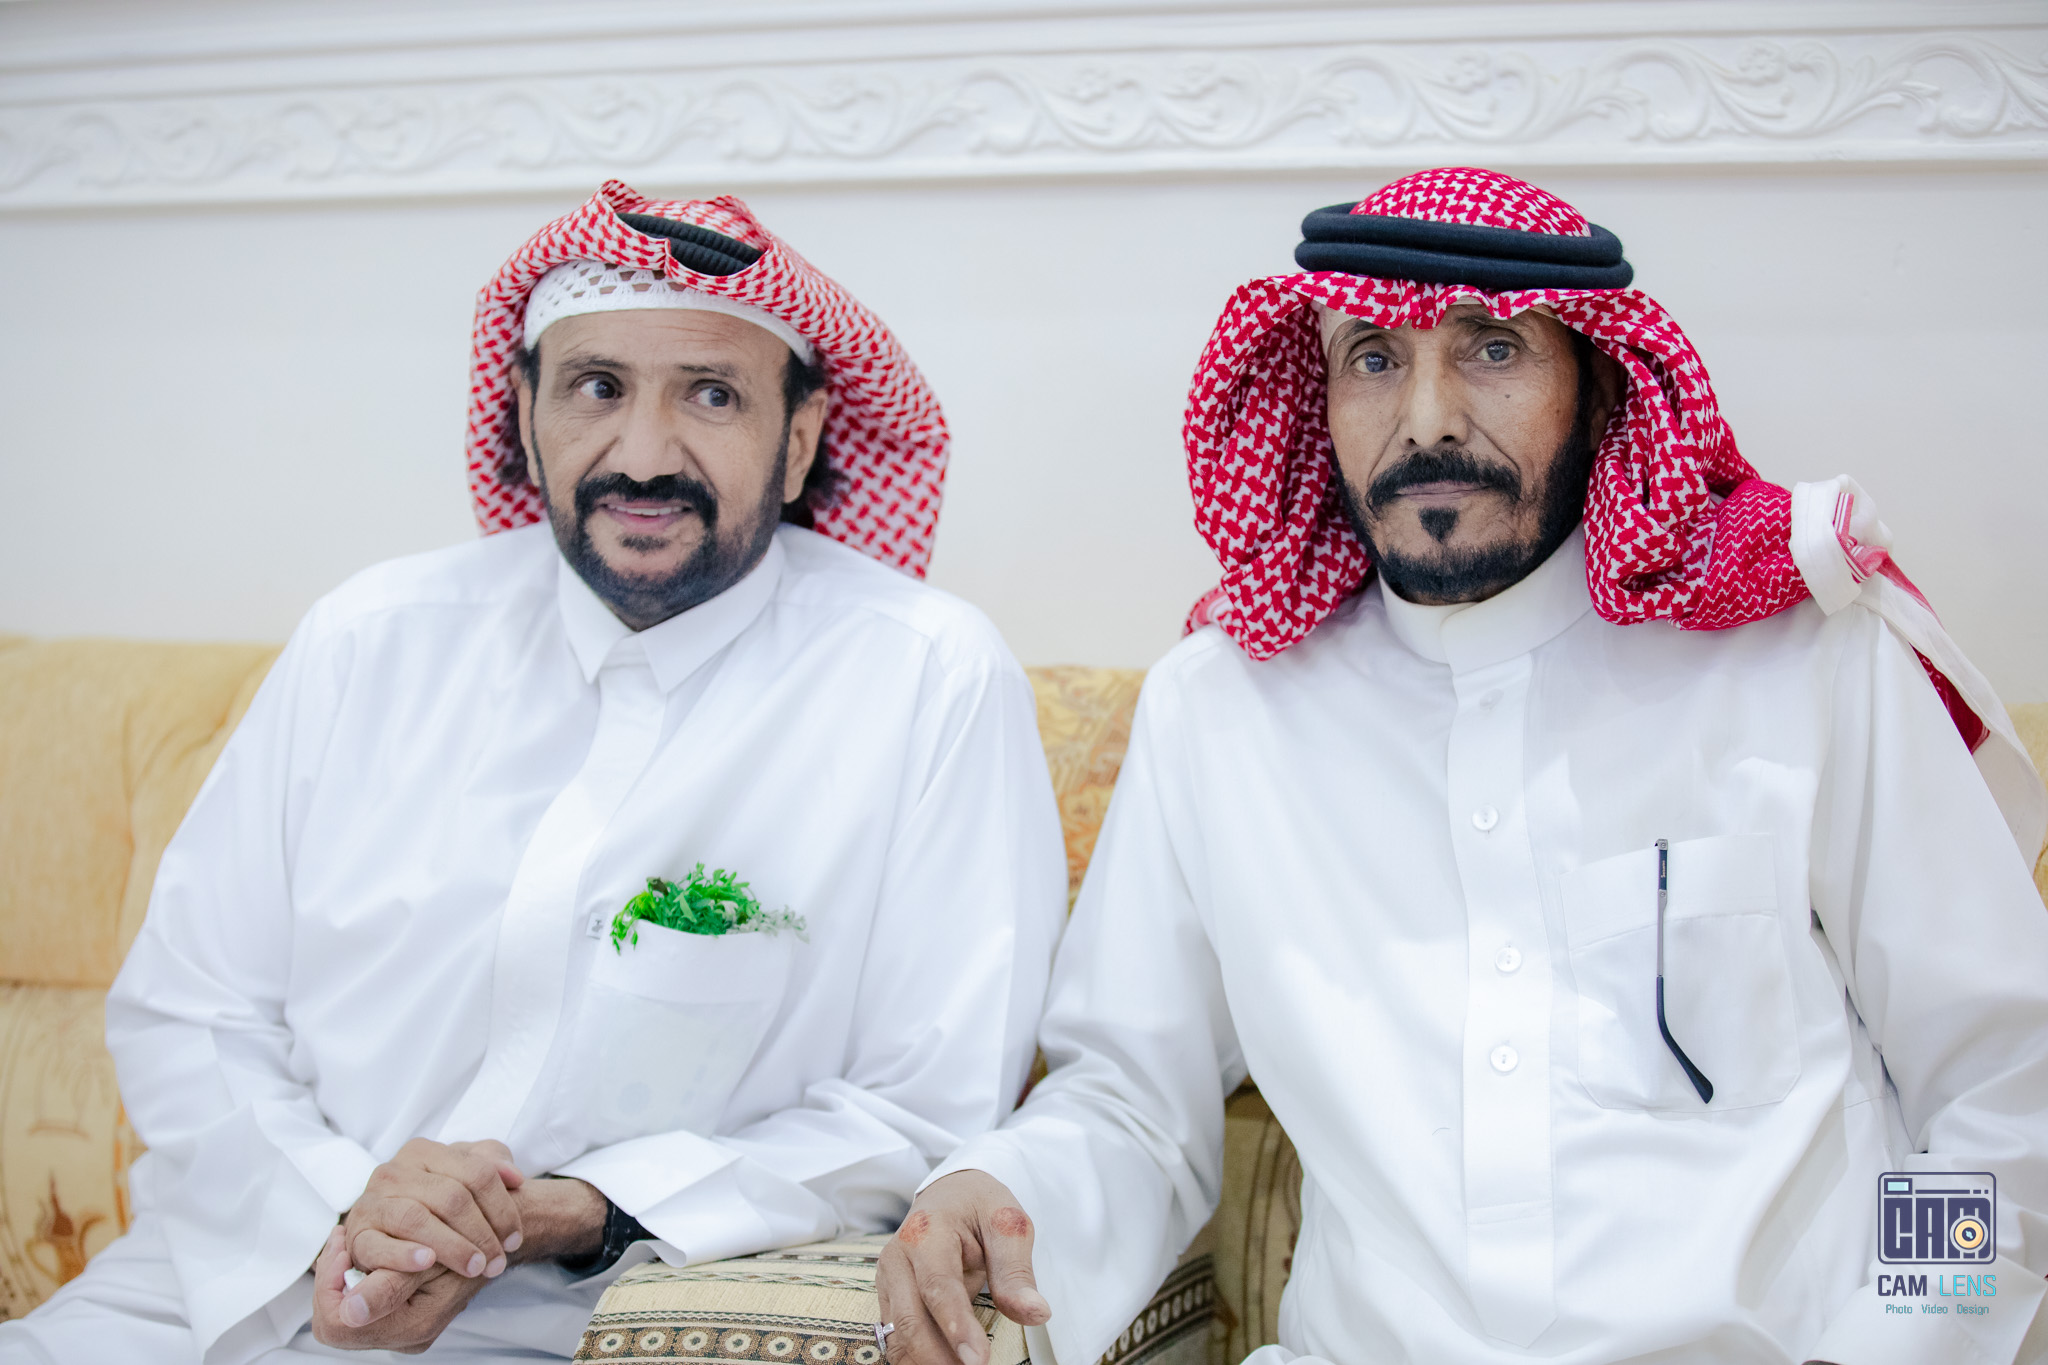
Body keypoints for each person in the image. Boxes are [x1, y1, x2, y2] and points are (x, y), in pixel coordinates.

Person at [876, 167, 2048, 1365]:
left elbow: (2000, 1088)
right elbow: (1130, 1102)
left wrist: (1897, 1345)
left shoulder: (1801, 661)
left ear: (1599, 386)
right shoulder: (1218, 711)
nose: (1426, 418)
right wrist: (992, 1190)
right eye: (1372, 358)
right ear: (1315, 400)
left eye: (1491, 349)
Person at [0, 181, 1066, 1363]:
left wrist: (577, 1212)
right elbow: (193, 1007)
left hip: (582, 1318)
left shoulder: (925, 679)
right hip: (229, 1277)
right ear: (523, 411)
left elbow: (919, 1109)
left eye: (710, 394)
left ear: (802, 437)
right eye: (596, 387)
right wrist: (344, 1214)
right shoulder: (370, 639)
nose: (642, 455)